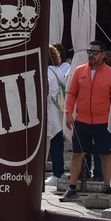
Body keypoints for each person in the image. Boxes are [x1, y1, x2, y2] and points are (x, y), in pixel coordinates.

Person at [61, 39, 111, 201]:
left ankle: (107, 185)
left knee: (105, 154)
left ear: (103, 54)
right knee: (77, 154)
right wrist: (68, 113)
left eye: (94, 52)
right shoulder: (79, 71)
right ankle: (72, 187)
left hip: (103, 121)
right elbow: (71, 94)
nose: (91, 55)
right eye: (89, 52)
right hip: (82, 120)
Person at [45, 44, 66, 187]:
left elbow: (44, 90)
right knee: (58, 142)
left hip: (51, 109)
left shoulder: (47, 71)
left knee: (53, 143)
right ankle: (60, 172)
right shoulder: (57, 70)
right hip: (59, 109)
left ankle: (57, 173)